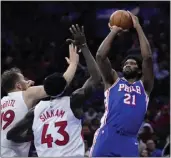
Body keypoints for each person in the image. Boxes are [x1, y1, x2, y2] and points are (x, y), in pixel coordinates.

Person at [7, 24, 101, 157]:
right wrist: (84, 46)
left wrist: (33, 135)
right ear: (66, 86)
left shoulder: (36, 110)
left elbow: (12, 135)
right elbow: (96, 77)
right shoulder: (73, 101)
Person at [90, 11, 154, 157]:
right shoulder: (113, 81)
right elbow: (100, 56)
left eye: (132, 63)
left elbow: (148, 58)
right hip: (108, 135)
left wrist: (137, 27)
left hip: (129, 140)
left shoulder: (144, 86)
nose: (127, 65)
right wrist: (114, 31)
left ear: (139, 70)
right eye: (126, 63)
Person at [1, 43, 79, 157]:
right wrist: (73, 64)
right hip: (12, 153)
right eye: (24, 79)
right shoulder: (27, 93)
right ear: (18, 86)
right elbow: (58, 86)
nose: (28, 81)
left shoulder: (2, 102)